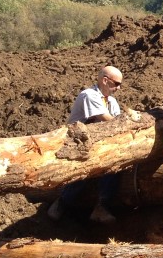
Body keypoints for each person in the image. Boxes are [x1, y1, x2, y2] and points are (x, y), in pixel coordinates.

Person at [47, 65, 124, 224]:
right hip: (76, 145)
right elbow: (110, 121)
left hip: (99, 145)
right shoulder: (89, 95)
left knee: (115, 165)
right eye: (116, 83)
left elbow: (118, 122)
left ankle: (102, 207)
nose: (119, 87)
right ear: (105, 80)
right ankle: (62, 202)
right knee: (83, 171)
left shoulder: (112, 102)